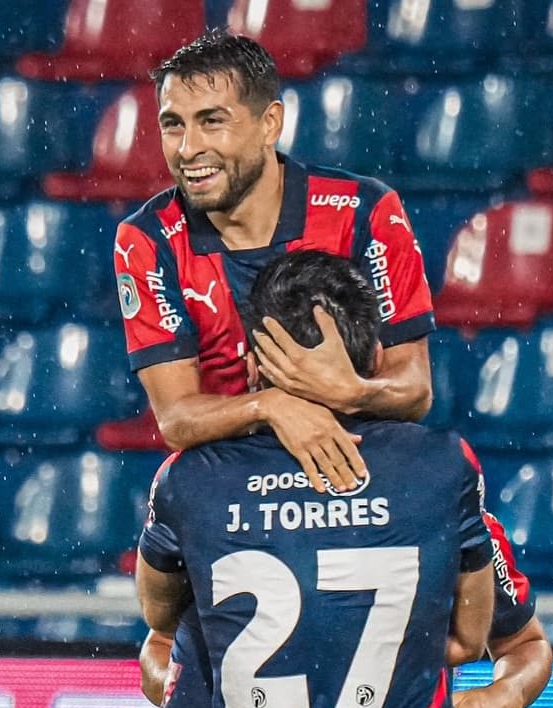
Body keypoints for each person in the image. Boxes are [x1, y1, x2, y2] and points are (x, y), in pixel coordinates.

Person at [136, 251, 496, 708]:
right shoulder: (444, 464)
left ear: (249, 366)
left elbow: (158, 617)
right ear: (377, 356)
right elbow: (470, 637)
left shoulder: (189, 478)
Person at [112, 28, 435, 493]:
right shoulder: (147, 238)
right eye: (173, 124)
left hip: (363, 475)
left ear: (270, 123)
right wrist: (271, 406)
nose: (187, 149)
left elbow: (416, 389)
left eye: (211, 121)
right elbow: (176, 418)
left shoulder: (364, 211)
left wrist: (356, 392)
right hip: (231, 492)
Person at [139, 510, 553, 708]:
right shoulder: (222, 505)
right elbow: (159, 647)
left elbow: (525, 644)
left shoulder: (447, 505)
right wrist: (193, 688)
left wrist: (502, 695)